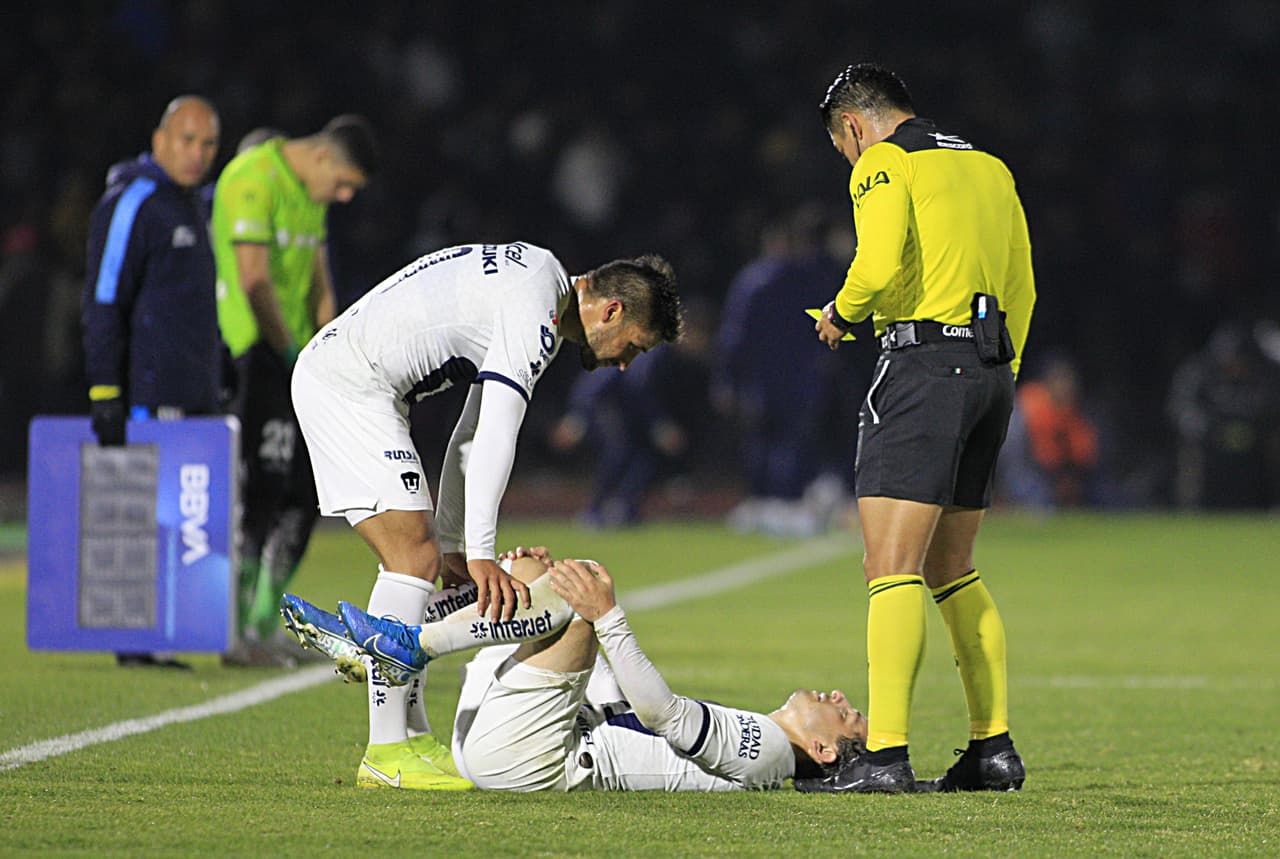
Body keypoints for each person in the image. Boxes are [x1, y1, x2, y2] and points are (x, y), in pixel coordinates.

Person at [280, 244, 682, 789]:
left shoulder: (535, 284)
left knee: (421, 562)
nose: (625, 362)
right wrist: (481, 556)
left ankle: (413, 735)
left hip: (362, 385)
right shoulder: (537, 306)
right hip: (349, 385)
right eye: (634, 346)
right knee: (411, 559)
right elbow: (495, 432)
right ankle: (385, 750)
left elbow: (467, 437)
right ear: (611, 311)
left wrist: (454, 543)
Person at [811, 64, 1035, 793]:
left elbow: (873, 264)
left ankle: (884, 756)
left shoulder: (883, 161)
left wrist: (841, 315)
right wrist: (1002, 372)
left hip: (922, 369)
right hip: (990, 374)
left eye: (843, 147)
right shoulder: (990, 166)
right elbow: (1022, 284)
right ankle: (991, 749)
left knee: (892, 567)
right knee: (952, 568)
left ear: (852, 126)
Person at [295, 549, 866, 792]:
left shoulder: (768, 751)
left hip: (530, 761)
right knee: (521, 576)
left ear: (823, 752)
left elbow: (659, 714)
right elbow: (621, 711)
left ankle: (407, 641)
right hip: (500, 749)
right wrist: (543, 591)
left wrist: (607, 617)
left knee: (581, 590)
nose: (840, 697)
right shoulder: (752, 742)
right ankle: (400, 637)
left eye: (848, 717)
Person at [211, 115, 378, 665]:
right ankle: (235, 632)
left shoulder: (310, 192)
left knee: (307, 495)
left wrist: (326, 348)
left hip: (300, 361)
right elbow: (255, 280)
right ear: (325, 158)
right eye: (346, 183)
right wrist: (291, 355)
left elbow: (319, 278)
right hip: (255, 358)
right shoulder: (254, 177)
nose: (347, 195)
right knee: (259, 492)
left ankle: (265, 622)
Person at [80, 95, 223, 669]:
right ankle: (133, 640)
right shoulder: (133, 201)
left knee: (182, 520)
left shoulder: (190, 205)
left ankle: (160, 632)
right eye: (187, 140)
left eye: (208, 144)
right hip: (144, 394)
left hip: (191, 394)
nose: (197, 154)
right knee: (141, 514)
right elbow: (103, 299)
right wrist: (105, 390)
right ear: (160, 139)